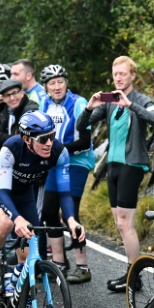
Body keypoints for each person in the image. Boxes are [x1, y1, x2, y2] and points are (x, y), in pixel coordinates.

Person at [0, 111, 85, 300]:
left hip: (24, 193)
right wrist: (17, 218)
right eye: (43, 139)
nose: (49, 143)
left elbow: (64, 193)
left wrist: (72, 221)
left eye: (51, 136)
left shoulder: (59, 152)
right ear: (27, 139)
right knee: (6, 224)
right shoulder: (11, 148)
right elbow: (4, 192)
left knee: (28, 254)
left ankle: (14, 285)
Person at [77, 56, 154, 292]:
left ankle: (133, 277)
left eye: (123, 74)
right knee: (120, 222)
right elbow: (80, 125)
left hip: (132, 164)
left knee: (126, 223)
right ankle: (131, 273)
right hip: (113, 166)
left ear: (133, 76)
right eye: (115, 74)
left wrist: (131, 106)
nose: (118, 78)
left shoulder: (140, 99)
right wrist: (89, 107)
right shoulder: (108, 101)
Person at [39, 64, 95, 283]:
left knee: (71, 211)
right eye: (52, 83)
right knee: (49, 211)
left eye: (60, 81)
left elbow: (84, 141)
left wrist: (56, 150)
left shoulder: (78, 103)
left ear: (66, 83)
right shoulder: (44, 105)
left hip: (77, 161)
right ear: (46, 87)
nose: (57, 86)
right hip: (55, 162)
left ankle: (83, 266)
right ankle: (60, 263)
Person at [0, 78, 39, 151]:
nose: (12, 98)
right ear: (3, 98)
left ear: (22, 92)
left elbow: (23, 143)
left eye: (14, 93)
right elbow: (3, 144)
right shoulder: (7, 110)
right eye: (7, 95)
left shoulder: (30, 111)